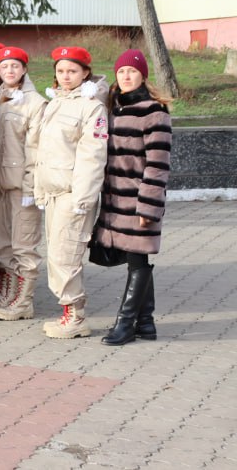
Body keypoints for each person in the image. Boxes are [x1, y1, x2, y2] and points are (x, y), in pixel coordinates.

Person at [93, 49, 170, 345]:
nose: (126, 76)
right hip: (115, 200)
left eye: (132, 71)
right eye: (121, 71)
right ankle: (146, 323)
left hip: (139, 199)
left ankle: (125, 324)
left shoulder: (154, 110)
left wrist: (148, 206)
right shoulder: (114, 109)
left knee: (137, 260)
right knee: (136, 259)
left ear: (143, 75)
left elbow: (158, 163)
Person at [34, 45, 109, 339]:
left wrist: (83, 198)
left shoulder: (92, 106)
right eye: (61, 71)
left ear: (85, 73)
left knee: (67, 255)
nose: (66, 76)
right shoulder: (56, 103)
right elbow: (43, 151)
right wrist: (40, 189)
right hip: (53, 192)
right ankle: (67, 312)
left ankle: (75, 316)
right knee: (55, 254)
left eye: (72, 71)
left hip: (73, 194)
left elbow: (92, 156)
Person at [0, 46, 47, 322]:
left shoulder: (34, 103)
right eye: (4, 67)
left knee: (24, 244)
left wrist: (31, 185)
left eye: (14, 66)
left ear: (24, 69)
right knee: (4, 243)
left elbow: (36, 149)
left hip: (22, 185)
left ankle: (24, 300)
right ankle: (12, 292)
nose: (9, 71)